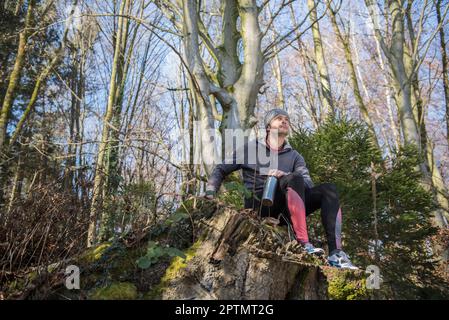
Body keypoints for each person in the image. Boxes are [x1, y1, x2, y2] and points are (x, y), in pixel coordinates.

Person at [205, 108, 358, 270]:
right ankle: (303, 243)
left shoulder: (295, 156)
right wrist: (210, 192)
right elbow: (221, 169)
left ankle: (336, 254)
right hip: (259, 206)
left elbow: (307, 184)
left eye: (286, 119)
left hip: (287, 208)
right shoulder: (250, 148)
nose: (284, 121)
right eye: (279, 118)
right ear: (269, 126)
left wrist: (284, 175)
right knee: (293, 178)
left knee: (328, 189)